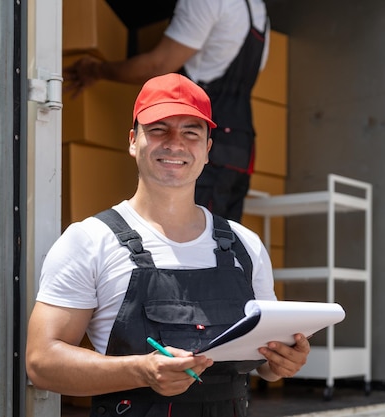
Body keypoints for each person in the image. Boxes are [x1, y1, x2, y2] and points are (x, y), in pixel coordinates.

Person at [25, 73, 309, 417]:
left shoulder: (244, 246)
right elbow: (41, 363)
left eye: (191, 132)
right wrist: (141, 371)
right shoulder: (88, 240)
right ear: (133, 141)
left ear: (207, 150)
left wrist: (281, 363)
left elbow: (265, 363)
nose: (175, 143)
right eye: (158, 129)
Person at [64, 0, 269, 222]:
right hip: (240, 147)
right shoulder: (257, 10)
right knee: (221, 242)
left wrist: (95, 70)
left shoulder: (207, 2)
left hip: (200, 143)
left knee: (187, 237)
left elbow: (158, 65)